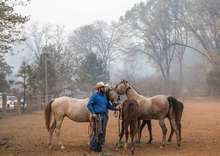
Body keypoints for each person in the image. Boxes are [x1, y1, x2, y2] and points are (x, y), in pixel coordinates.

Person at [87, 81, 117, 152]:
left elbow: (108, 106)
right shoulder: (94, 96)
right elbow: (89, 105)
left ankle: (99, 147)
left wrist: (116, 108)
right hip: (98, 116)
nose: (104, 88)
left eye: (104, 87)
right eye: (103, 87)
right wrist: (93, 113)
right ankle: (93, 148)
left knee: (103, 131)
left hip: (105, 116)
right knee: (98, 131)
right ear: (99, 88)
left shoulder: (104, 97)